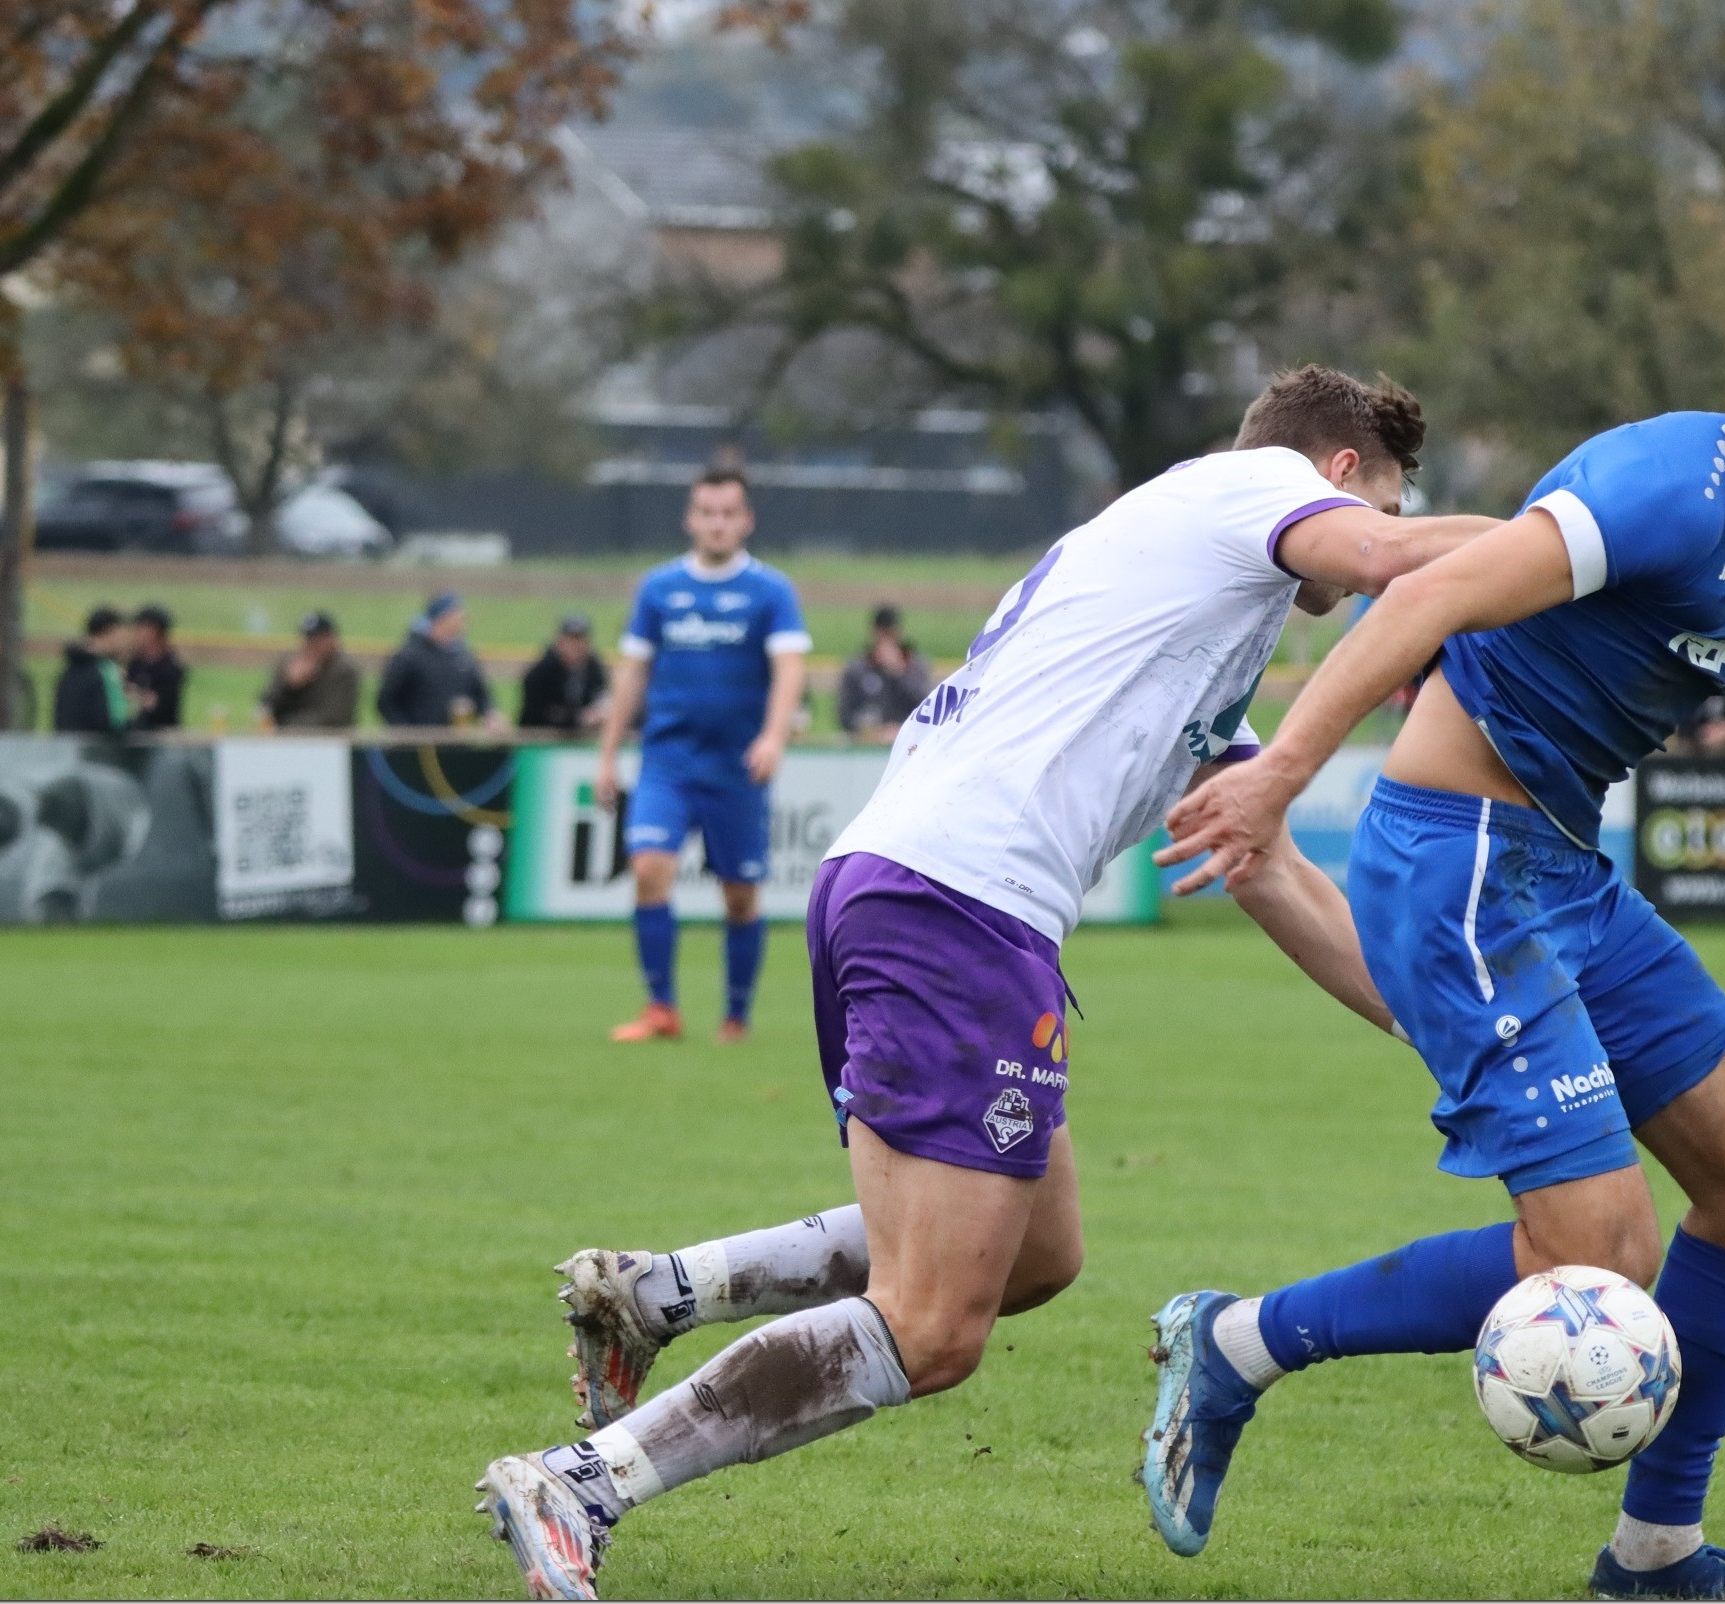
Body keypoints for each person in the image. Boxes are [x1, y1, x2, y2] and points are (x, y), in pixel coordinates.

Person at [1144, 228, 1725, 1600]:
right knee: (1593, 1251)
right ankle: (1233, 1342)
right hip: (1454, 863)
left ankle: (1652, 1559)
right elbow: (1424, 594)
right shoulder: (1666, 482)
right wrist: (1274, 782)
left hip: (1566, 877)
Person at [473, 366, 1503, 1600]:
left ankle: (661, 1289)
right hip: (953, 902)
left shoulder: (1192, 610)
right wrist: (1576, 544)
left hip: (919, 888)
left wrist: (1444, 1029)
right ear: (1342, 470)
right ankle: (580, 1481)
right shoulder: (1256, 487)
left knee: (1036, 1254)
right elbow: (1395, 562)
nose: (1391, 528)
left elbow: (1267, 866)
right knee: (933, 1323)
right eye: (1395, 502)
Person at [597, 470, 809, 1048]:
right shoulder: (659, 588)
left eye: (728, 513)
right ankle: (661, 1008)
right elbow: (633, 671)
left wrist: (773, 736)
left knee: (739, 895)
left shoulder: (771, 592)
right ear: (690, 520)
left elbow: (790, 667)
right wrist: (608, 753)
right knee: (648, 869)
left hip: (737, 769)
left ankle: (735, 1017)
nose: (717, 523)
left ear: (746, 521)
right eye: (707, 513)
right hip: (667, 761)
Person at [376, 592, 500, 729]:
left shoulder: (464, 655)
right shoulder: (410, 655)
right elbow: (386, 701)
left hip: (457, 741)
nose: (463, 622)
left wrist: (489, 715)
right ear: (442, 618)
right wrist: (406, 732)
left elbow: (481, 695)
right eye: (458, 616)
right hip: (414, 743)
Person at [835, 605, 932, 743]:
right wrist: (872, 730)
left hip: (907, 739)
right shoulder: (858, 667)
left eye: (891, 634)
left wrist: (899, 672)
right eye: (883, 634)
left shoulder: (914, 666)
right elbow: (844, 715)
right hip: (867, 742)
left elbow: (927, 706)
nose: (887, 641)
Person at [258, 612, 362, 730]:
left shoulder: (343, 671)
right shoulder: (289, 664)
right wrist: (289, 686)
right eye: (308, 639)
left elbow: (334, 719)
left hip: (329, 741)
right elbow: (266, 707)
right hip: (285, 738)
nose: (311, 645)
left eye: (318, 640)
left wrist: (285, 725)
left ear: (332, 639)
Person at [519, 613, 610, 734]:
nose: (575, 646)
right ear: (559, 641)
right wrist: (578, 718)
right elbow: (539, 713)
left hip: (582, 739)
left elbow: (599, 695)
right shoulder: (541, 672)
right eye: (571, 640)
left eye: (580, 640)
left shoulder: (593, 667)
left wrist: (599, 712)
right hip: (539, 738)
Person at [51, 607, 132, 735]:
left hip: (68, 749)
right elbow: (117, 723)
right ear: (109, 631)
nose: (125, 642)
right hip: (97, 752)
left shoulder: (69, 668)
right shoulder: (108, 672)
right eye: (122, 635)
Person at [125, 604, 186, 732]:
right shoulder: (135, 662)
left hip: (163, 732)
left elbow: (157, 703)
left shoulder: (170, 667)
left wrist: (136, 695)